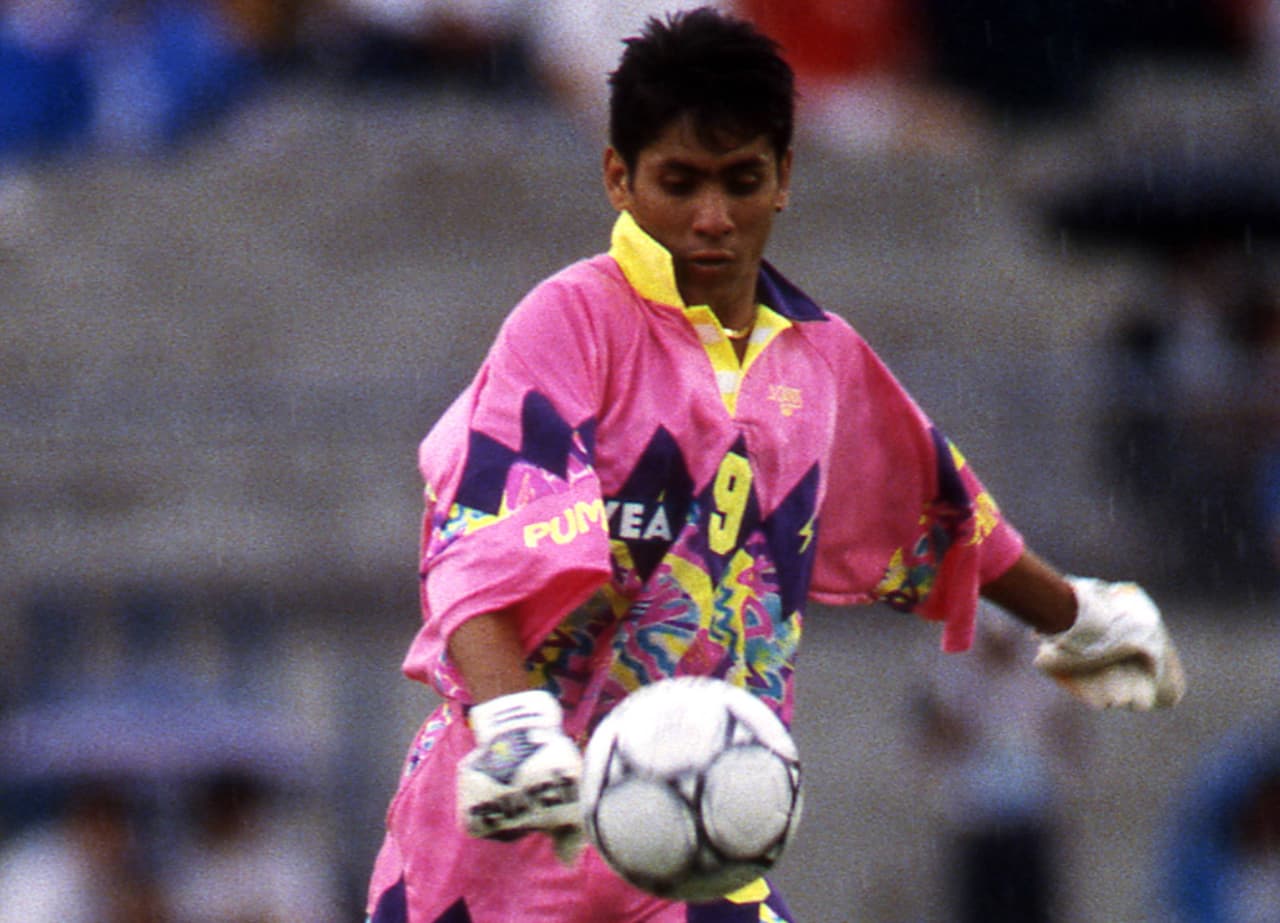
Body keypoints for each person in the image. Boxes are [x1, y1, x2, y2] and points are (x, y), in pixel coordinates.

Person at [365, 8, 1186, 922]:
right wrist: (513, 728)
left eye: (741, 181)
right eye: (679, 182)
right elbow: (478, 548)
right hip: (511, 836)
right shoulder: (569, 326)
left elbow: (947, 513)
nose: (712, 218)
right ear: (618, 178)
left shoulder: (820, 362)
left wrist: (1082, 619)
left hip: (699, 844)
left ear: (785, 176)